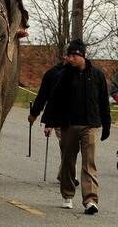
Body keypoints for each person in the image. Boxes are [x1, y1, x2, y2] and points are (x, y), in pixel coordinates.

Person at [41, 39, 111, 214]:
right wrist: (49, 121)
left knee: (89, 162)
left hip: (91, 125)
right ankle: (67, 194)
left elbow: (103, 102)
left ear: (82, 56)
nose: (70, 58)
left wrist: (106, 124)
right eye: (69, 55)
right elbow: (54, 99)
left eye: (73, 55)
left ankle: (90, 200)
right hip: (69, 125)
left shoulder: (97, 75)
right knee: (68, 162)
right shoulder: (64, 75)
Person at [29, 56, 79, 186]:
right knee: (67, 146)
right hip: (59, 118)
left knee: (72, 147)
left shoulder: (80, 73)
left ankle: (63, 173)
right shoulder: (52, 74)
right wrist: (35, 114)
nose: (74, 59)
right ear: (65, 57)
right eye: (71, 56)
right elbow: (43, 96)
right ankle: (66, 175)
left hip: (77, 119)